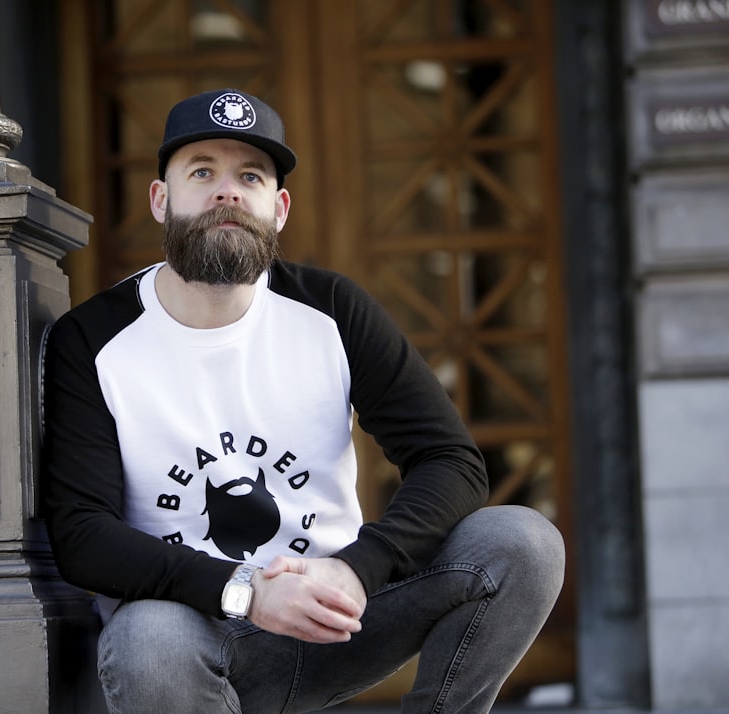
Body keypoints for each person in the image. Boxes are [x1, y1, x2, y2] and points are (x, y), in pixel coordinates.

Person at [41, 88, 565, 714]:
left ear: (279, 207)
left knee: (521, 542)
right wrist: (247, 592)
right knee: (147, 641)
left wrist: (355, 569)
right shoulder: (93, 340)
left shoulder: (333, 311)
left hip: (336, 616)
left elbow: (450, 460)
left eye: (250, 176)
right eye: (202, 171)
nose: (226, 192)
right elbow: (81, 533)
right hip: (199, 635)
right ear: (161, 199)